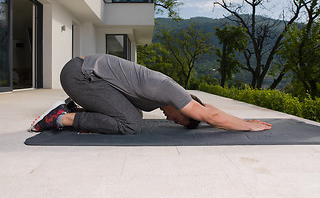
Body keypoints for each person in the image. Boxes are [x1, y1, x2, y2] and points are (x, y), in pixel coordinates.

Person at [30, 54, 272, 134]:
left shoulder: (169, 96)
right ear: (184, 106)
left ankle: (72, 109)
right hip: (79, 75)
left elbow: (208, 111)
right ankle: (60, 117)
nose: (169, 119)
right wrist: (250, 128)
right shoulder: (169, 90)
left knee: (132, 112)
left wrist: (243, 120)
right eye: (176, 118)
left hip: (83, 74)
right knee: (132, 124)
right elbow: (210, 116)